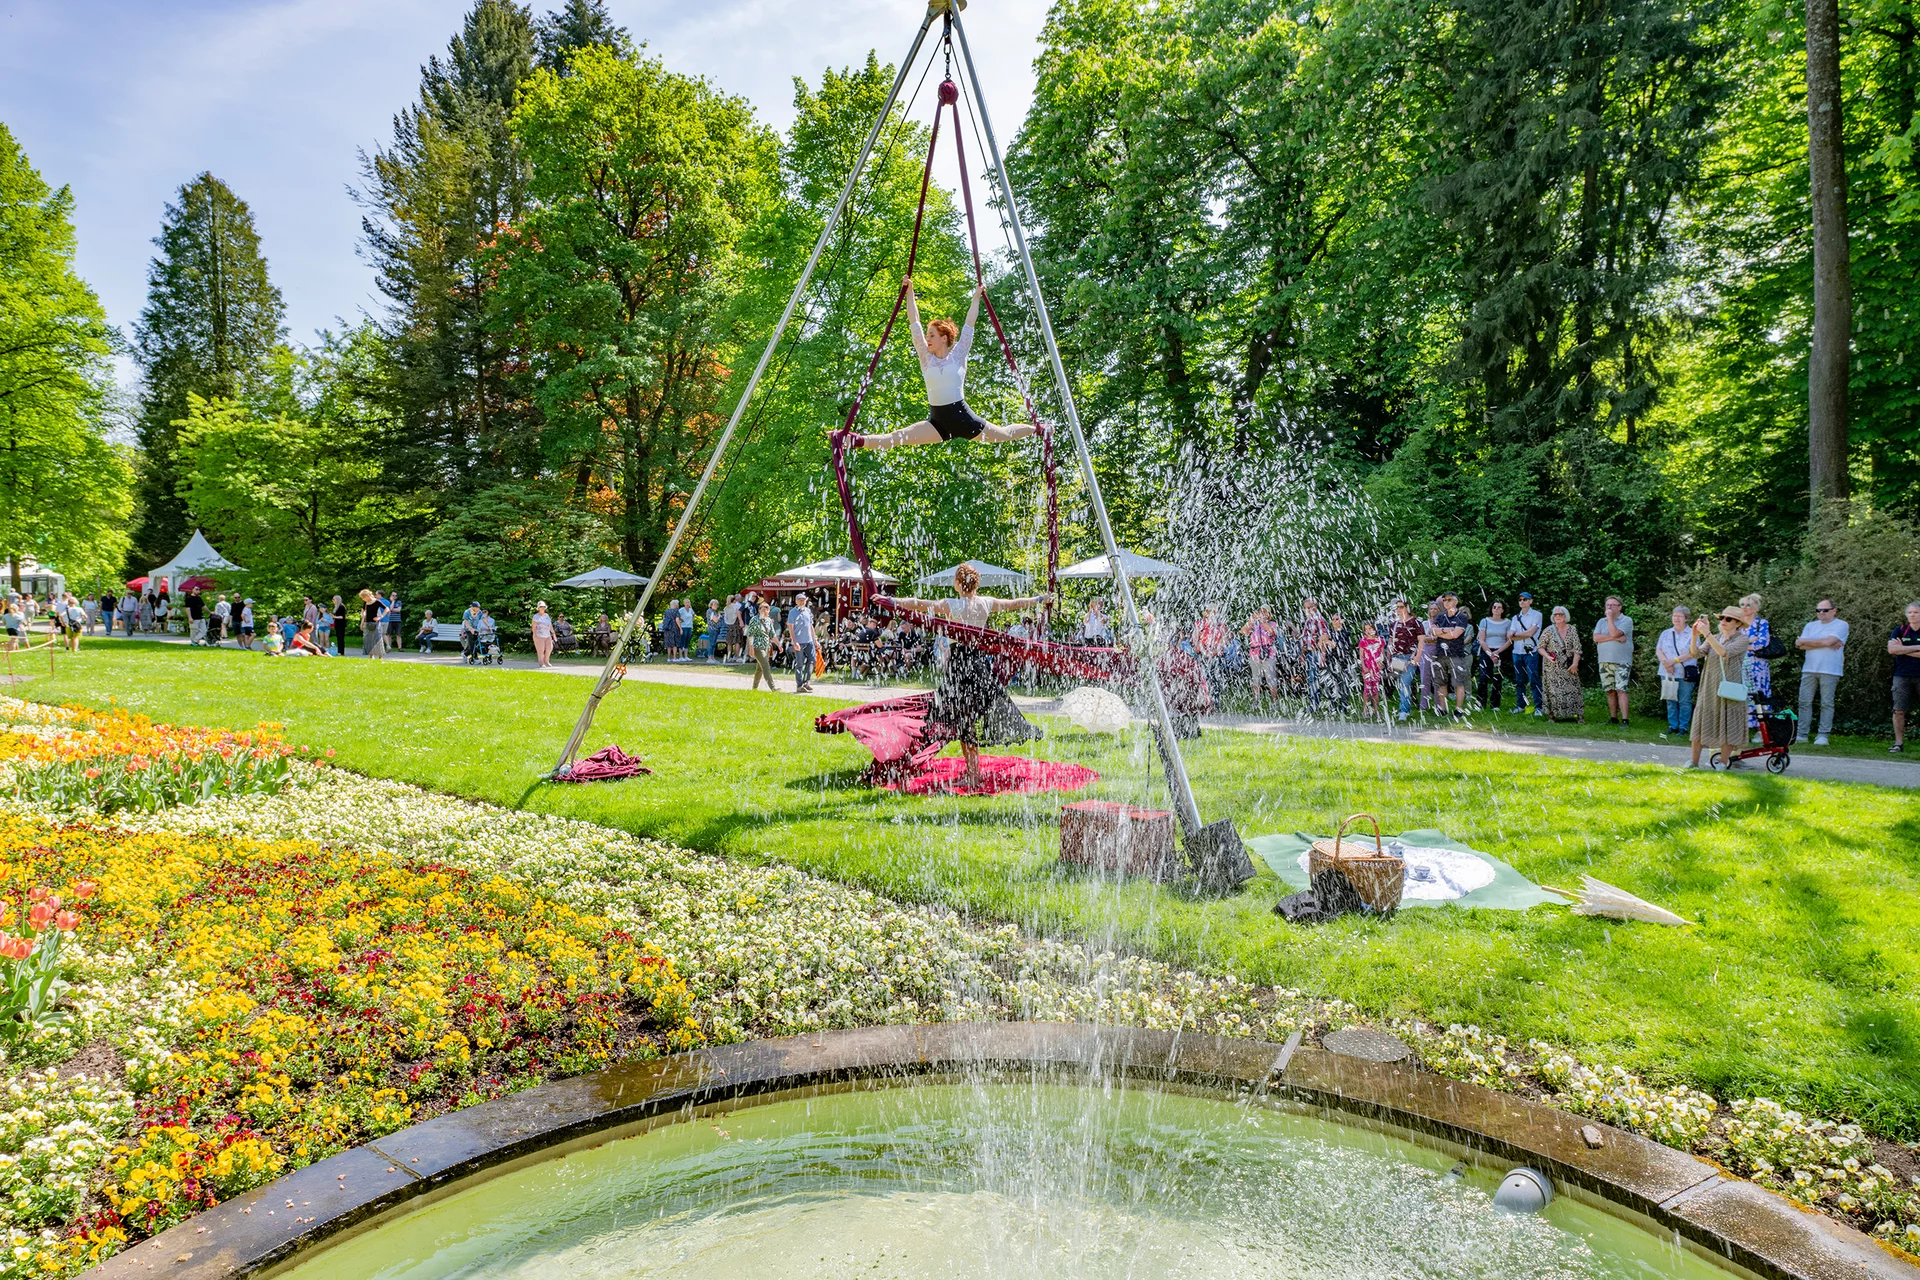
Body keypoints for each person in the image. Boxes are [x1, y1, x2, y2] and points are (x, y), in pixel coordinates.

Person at [888, 564, 1053, 788]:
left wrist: (891, 601)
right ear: (977, 584)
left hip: (959, 665)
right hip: (978, 664)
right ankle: (973, 772)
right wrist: (1039, 599)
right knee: (967, 720)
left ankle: (973, 775)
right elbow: (1014, 603)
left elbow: (919, 604)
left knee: (963, 721)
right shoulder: (985, 603)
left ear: (958, 583)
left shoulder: (952, 605)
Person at [848, 280, 1038, 450]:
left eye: (932, 335)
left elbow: (969, 324)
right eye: (927, 335)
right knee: (897, 437)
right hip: (938, 423)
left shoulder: (958, 355)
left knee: (1003, 434)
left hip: (964, 419)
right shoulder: (926, 357)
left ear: (944, 338)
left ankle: (1037, 429)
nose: (928, 339)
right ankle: (856, 440)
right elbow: (914, 322)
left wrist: (976, 297)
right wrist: (909, 292)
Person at [1687, 606, 1754, 768]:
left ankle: (1723, 762)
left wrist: (1707, 634)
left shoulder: (1742, 639)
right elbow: (1695, 654)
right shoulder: (1715, 637)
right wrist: (1694, 636)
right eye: (1722, 618)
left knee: (1728, 722)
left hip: (1730, 687)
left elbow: (1723, 652)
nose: (1723, 621)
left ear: (1738, 624)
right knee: (1701, 721)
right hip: (1709, 686)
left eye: (1728, 619)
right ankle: (1693, 762)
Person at [1794, 599, 1847, 746]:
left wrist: (1808, 641)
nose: (1821, 613)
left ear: (1834, 611)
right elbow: (1799, 645)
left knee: (1826, 703)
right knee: (1804, 702)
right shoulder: (1810, 625)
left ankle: (1823, 735)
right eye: (1818, 610)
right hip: (1809, 669)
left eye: (1825, 610)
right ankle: (1802, 734)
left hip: (1830, 669)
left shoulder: (1841, 625)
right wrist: (1824, 642)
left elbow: (1827, 642)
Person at [1655, 606, 1699, 737]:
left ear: (1686, 618)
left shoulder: (1693, 634)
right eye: (1674, 616)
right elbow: (1659, 650)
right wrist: (1666, 664)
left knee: (1684, 701)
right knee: (1670, 699)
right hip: (1667, 671)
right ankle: (1672, 725)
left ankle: (1683, 727)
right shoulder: (1666, 633)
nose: (1676, 619)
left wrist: (1673, 661)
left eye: (1679, 616)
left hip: (1685, 672)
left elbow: (1692, 652)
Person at [1592, 596, 1635, 726]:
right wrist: (1614, 638)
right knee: (1610, 690)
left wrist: (1610, 619)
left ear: (1620, 607)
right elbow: (1596, 638)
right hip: (1604, 660)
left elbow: (1615, 633)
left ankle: (1625, 720)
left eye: (1612, 605)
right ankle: (1613, 718)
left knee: (1621, 690)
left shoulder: (1626, 620)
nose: (1609, 607)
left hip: (1622, 661)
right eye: (1607, 605)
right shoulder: (1601, 621)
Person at [1539, 605, 1584, 721]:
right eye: (1555, 614)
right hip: (1552, 665)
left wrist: (1575, 664)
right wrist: (1547, 656)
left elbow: (1577, 648)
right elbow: (1540, 647)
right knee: (1553, 691)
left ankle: (1579, 716)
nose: (1558, 616)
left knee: (1573, 690)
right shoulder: (1548, 630)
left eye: (1560, 614)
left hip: (1569, 665)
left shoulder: (1572, 629)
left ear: (1565, 616)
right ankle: (1552, 716)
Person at [1432, 592, 1473, 717]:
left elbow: (1455, 635)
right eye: (1445, 600)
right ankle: (1443, 709)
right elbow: (1432, 631)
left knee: (1458, 682)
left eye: (1449, 599)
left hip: (1456, 654)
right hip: (1440, 653)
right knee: (1441, 683)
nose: (1446, 602)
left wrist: (1441, 632)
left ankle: (1458, 709)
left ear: (1456, 601)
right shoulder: (1440, 616)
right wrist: (1447, 630)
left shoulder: (1462, 616)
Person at [1889, 601, 1920, 753]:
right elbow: (1891, 650)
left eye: (1916, 612)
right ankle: (1898, 743)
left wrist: (1902, 649)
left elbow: (1897, 650)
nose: (1912, 615)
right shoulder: (1900, 630)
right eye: (1910, 612)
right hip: (1901, 675)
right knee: (1899, 710)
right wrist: (1917, 648)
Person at [1741, 592, 1772, 735]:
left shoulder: (1762, 623)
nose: (1744, 607)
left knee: (1759, 695)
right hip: (1741, 664)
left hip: (1758, 666)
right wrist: (1749, 641)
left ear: (1756, 608)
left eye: (1748, 605)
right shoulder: (1738, 623)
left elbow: (1762, 643)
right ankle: (1744, 728)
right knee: (1743, 695)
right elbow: (1731, 641)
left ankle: (1762, 730)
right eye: (1742, 605)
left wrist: (1743, 645)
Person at [1509, 591, 1543, 715]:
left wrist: (1516, 635)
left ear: (1530, 601)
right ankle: (1521, 705)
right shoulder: (1515, 617)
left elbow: (1530, 633)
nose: (1522, 601)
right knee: (1519, 681)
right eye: (1520, 600)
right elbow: (1509, 635)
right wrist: (1517, 635)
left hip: (1531, 652)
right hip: (1517, 652)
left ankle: (1539, 707)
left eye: (1525, 599)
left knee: (1533, 679)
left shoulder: (1537, 615)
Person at [1388, 599, 1422, 721]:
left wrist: (1417, 658)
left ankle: (1404, 711)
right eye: (1397, 607)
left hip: (1410, 657)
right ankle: (1404, 708)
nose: (1398, 609)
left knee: (1405, 684)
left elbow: (1421, 641)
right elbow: (1391, 642)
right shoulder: (1394, 624)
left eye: (1401, 607)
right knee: (1400, 684)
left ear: (1407, 608)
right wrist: (1388, 659)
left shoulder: (1415, 622)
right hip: (1397, 657)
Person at [1476, 600, 1512, 711]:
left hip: (1501, 652)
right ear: (1491, 609)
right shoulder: (1484, 621)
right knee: (1483, 677)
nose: (1496, 609)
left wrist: (1497, 652)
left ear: (1503, 610)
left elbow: (1509, 640)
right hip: (1486, 651)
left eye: (1499, 607)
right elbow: (1481, 640)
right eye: (1494, 607)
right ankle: (1480, 704)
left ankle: (1495, 705)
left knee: (1497, 678)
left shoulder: (1508, 622)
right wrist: (1490, 653)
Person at [1244, 606, 1279, 709]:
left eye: (1265, 611)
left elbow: (1272, 632)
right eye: (1261, 611)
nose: (1262, 613)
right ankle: (1255, 702)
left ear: (1269, 614)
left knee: (1271, 679)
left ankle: (1275, 702)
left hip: (1269, 654)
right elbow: (1243, 631)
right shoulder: (1254, 624)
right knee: (1255, 679)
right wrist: (1251, 620)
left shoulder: (1273, 624)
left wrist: (1263, 621)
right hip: (1254, 654)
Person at [786, 593, 817, 693]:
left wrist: (815, 640)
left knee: (812, 660)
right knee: (799, 663)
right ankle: (799, 686)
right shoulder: (792, 612)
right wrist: (795, 642)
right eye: (800, 600)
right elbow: (791, 628)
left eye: (803, 600)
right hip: (799, 641)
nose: (802, 602)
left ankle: (806, 682)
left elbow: (811, 626)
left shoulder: (808, 611)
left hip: (809, 641)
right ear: (796, 601)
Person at [744, 599, 778, 690]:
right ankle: (773, 688)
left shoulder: (768, 620)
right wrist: (751, 648)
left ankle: (754, 688)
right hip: (757, 646)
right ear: (759, 611)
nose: (764, 611)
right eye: (762, 609)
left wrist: (779, 645)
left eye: (766, 609)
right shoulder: (754, 620)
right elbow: (750, 635)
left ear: (768, 611)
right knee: (766, 666)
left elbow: (772, 634)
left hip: (766, 646)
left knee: (759, 669)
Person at [1359, 619, 1386, 718]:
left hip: (1376, 669)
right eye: (1366, 629)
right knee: (1367, 688)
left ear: (1374, 629)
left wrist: (1381, 662)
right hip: (1367, 668)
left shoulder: (1379, 640)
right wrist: (1364, 666)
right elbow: (1361, 656)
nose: (1368, 631)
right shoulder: (1363, 641)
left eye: (1370, 628)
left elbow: (1382, 653)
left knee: (1375, 689)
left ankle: (1376, 710)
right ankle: (1365, 710)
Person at [358, 589, 387, 658]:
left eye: (363, 597)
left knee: (378, 639)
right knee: (368, 639)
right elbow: (363, 612)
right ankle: (371, 655)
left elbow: (387, 609)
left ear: (368, 595)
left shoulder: (377, 602)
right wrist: (362, 623)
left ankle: (380, 656)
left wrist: (380, 617)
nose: (363, 599)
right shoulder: (365, 603)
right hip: (367, 623)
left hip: (375, 623)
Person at [531, 601, 556, 668]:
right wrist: (535, 635)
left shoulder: (547, 615)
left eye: (544, 607)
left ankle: (546, 661)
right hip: (539, 635)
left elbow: (550, 625)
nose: (542, 608)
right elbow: (534, 626)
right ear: (538, 608)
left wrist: (553, 632)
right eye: (541, 607)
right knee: (541, 650)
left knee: (549, 648)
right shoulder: (536, 616)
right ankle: (541, 663)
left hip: (547, 635)